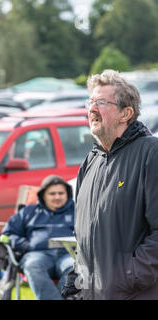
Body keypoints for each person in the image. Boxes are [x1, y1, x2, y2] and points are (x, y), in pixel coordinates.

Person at [61, 70, 158, 300]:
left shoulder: (150, 154)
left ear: (126, 113)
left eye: (101, 102)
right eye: (90, 102)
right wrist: (76, 283)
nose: (92, 109)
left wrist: (126, 278)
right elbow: (85, 238)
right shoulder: (90, 163)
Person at [1, 175, 75, 300]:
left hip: (69, 254)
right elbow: (7, 234)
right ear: (43, 195)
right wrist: (25, 244)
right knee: (33, 265)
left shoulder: (78, 211)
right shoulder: (28, 212)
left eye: (61, 193)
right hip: (38, 254)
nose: (57, 197)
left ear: (67, 194)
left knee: (77, 267)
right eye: (52, 193)